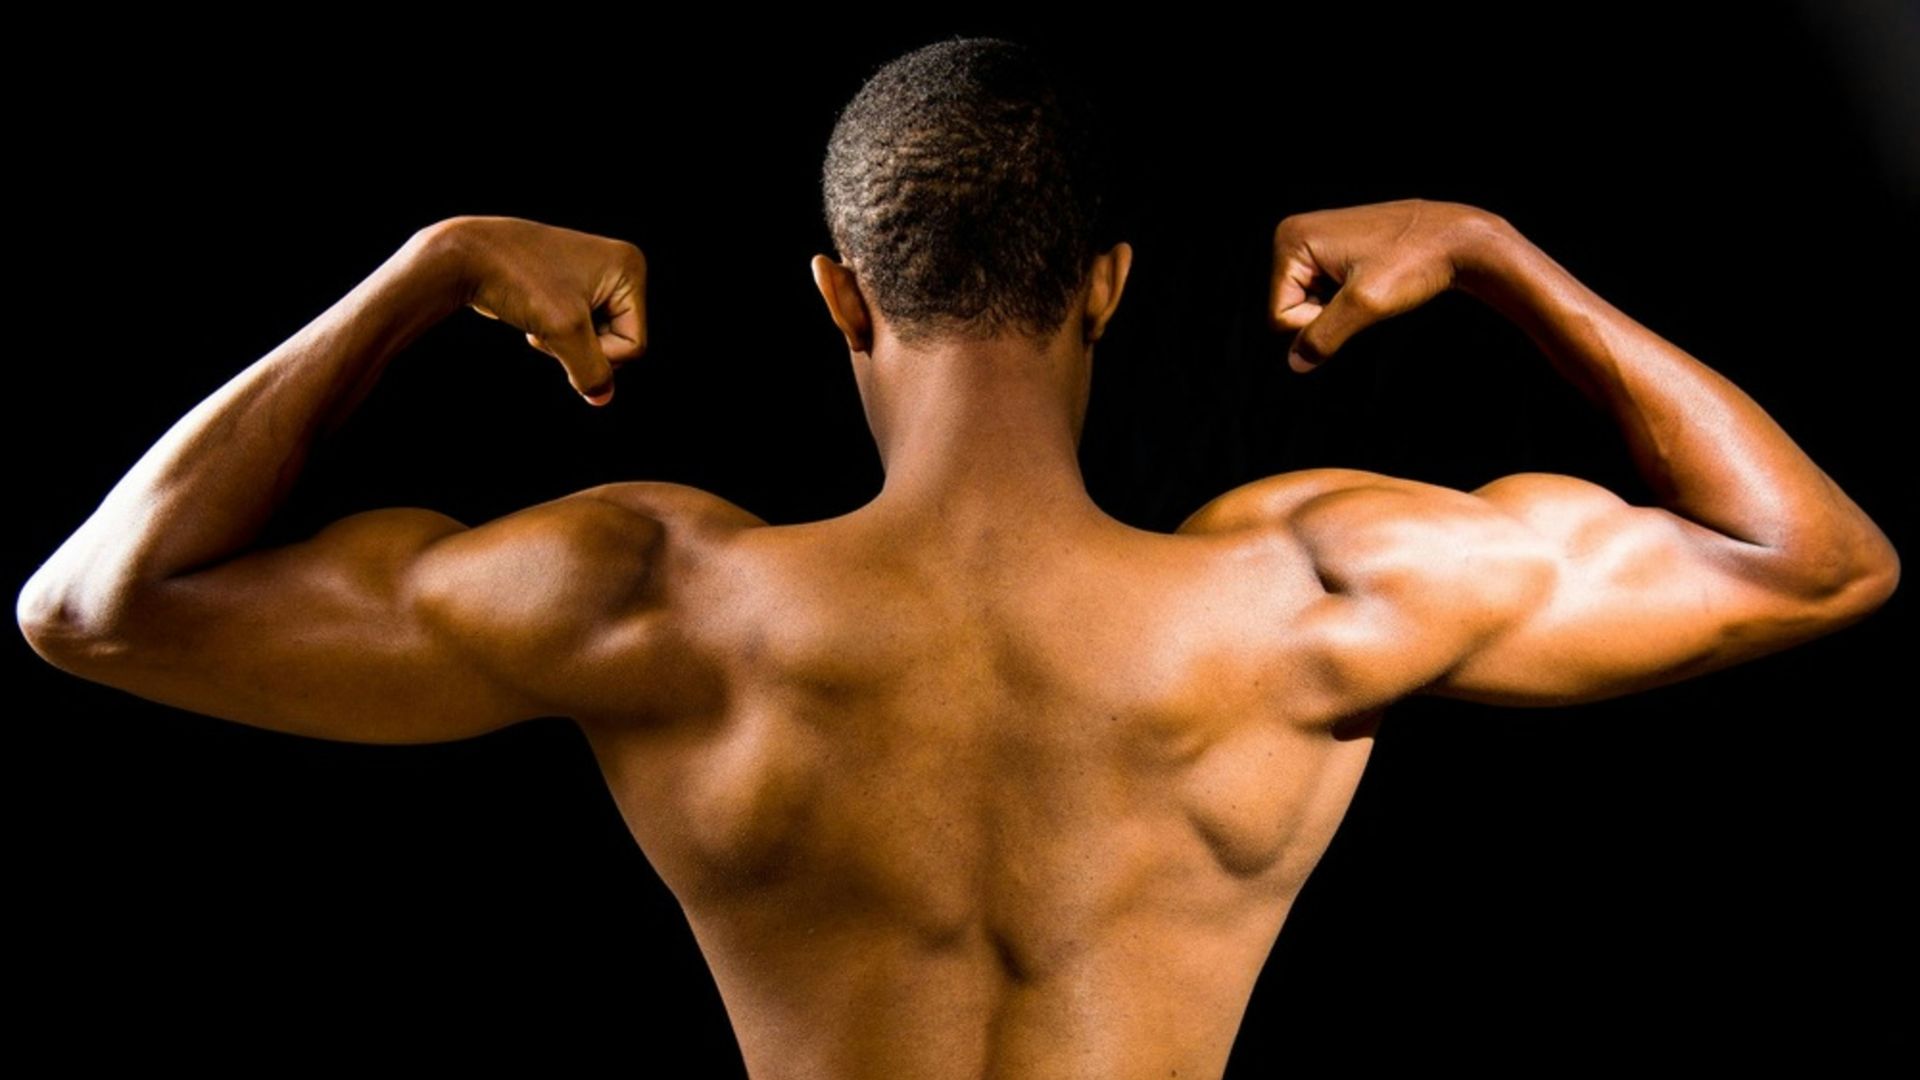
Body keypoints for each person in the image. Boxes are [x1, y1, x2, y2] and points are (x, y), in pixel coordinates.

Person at [16, 37, 1898, 1079]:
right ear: (1111, 289)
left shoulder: (662, 600)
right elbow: (1815, 564)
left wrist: (431, 269)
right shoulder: (1316, 594)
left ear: (838, 300)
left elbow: (97, 611)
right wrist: (1492, 250)